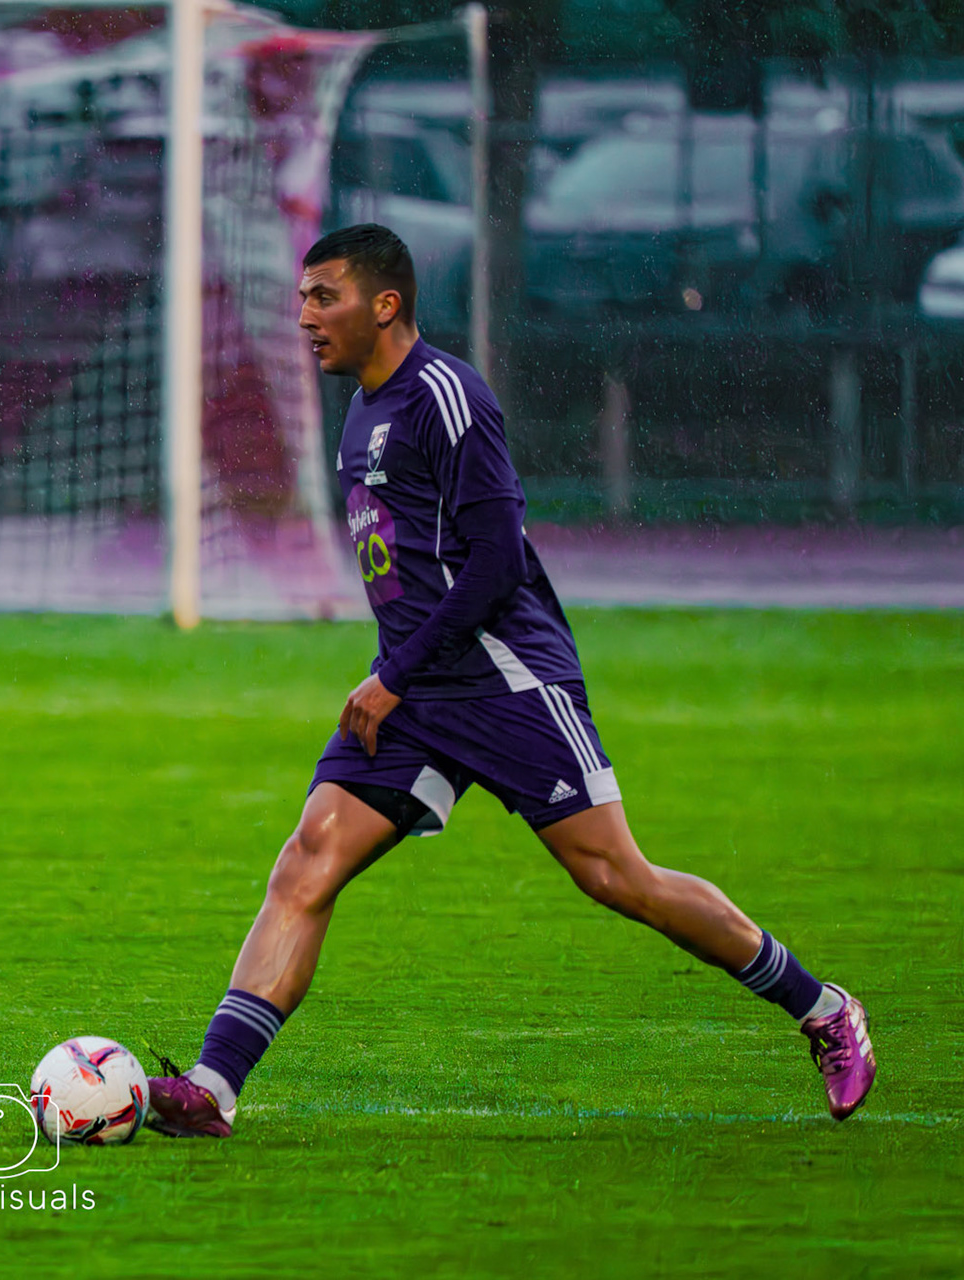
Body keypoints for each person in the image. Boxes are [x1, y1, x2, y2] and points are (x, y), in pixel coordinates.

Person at [145, 223, 876, 1137]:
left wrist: (396, 672)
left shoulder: (446, 396)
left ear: (386, 304)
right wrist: (399, 674)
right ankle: (213, 1088)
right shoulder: (361, 411)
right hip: (416, 692)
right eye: (302, 299)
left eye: (324, 297)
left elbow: (495, 561)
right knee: (308, 859)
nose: (305, 317)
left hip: (504, 678)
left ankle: (823, 1009)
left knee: (617, 877)